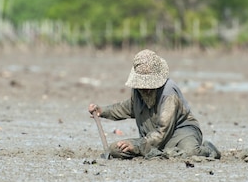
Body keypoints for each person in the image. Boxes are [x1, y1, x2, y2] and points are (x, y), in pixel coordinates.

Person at [88, 49, 221, 160]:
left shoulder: (169, 92)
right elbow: (128, 107)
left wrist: (137, 146)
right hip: (150, 138)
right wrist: (102, 111)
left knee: (190, 153)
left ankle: (208, 150)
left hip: (179, 133)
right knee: (115, 149)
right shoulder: (138, 90)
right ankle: (157, 152)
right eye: (142, 85)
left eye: (148, 85)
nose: (145, 89)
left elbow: (163, 130)